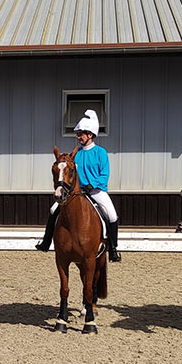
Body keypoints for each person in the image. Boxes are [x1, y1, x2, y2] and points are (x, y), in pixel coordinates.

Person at [34, 110, 120, 262]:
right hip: (76, 192)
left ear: (90, 135)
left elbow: (104, 175)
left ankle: (113, 249)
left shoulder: (100, 152)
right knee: (53, 209)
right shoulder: (77, 154)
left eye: (82, 134)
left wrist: (91, 186)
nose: (79, 137)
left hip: (96, 191)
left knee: (112, 215)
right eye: (78, 134)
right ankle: (46, 242)